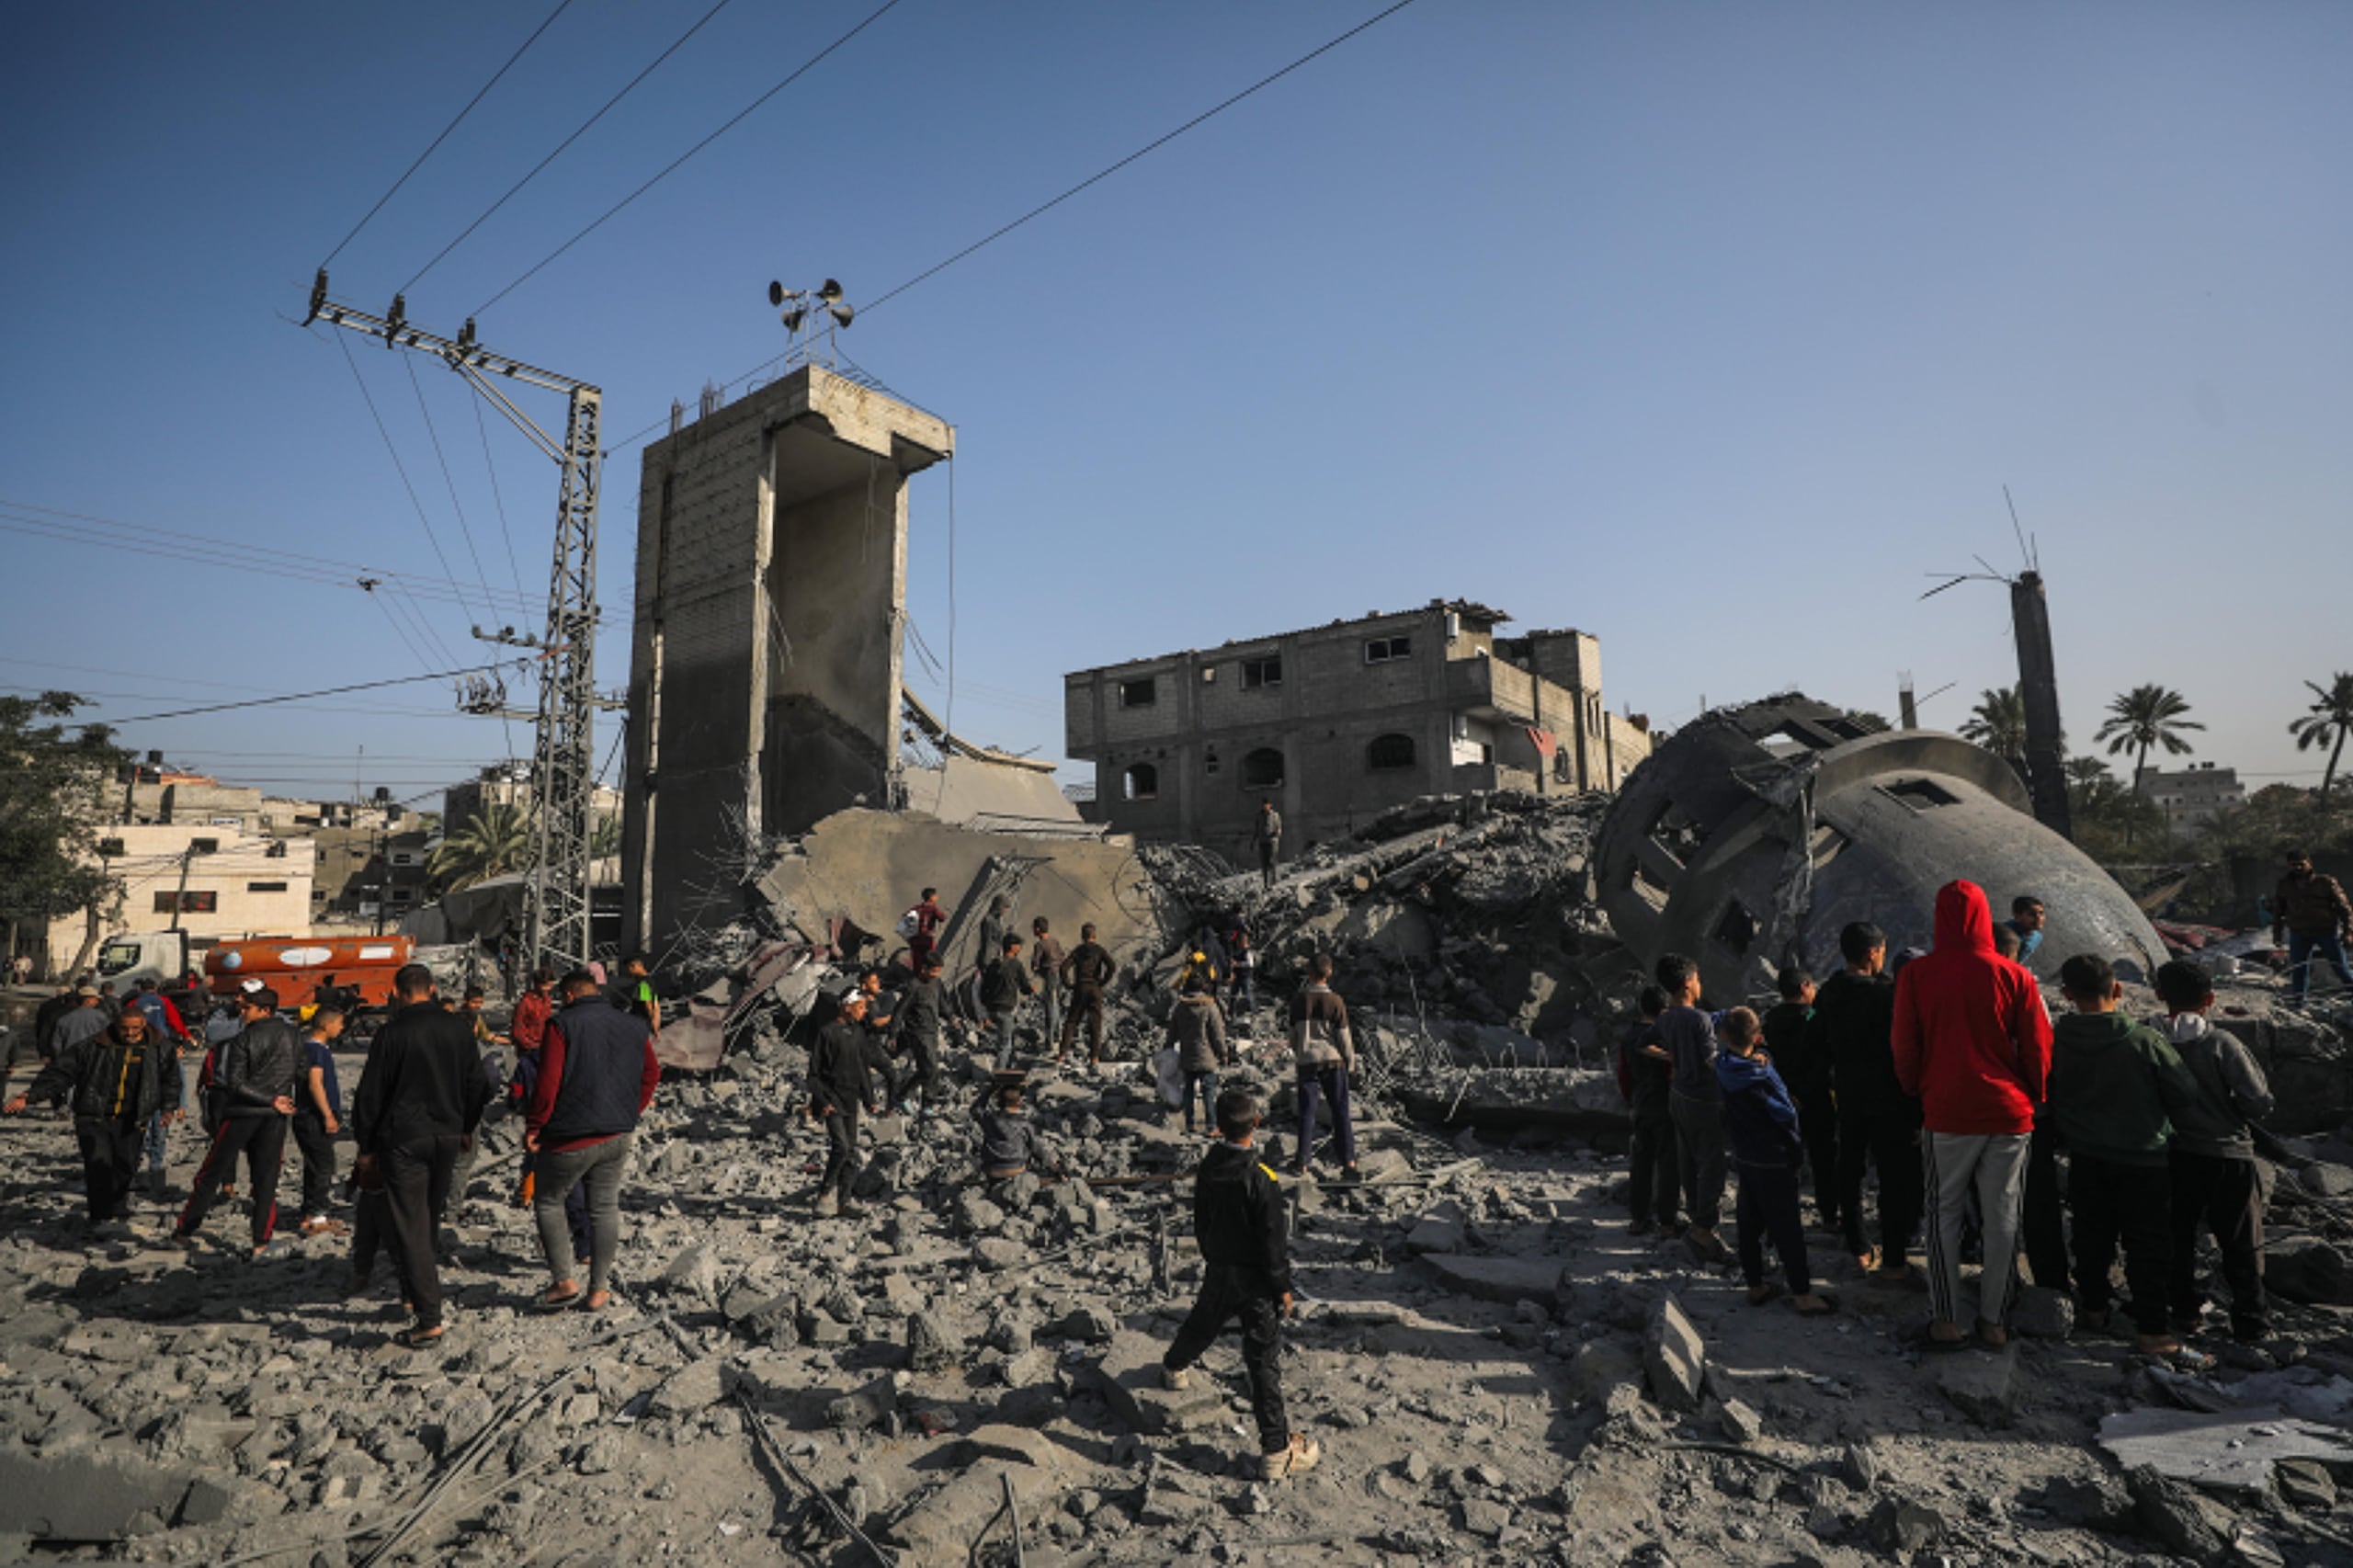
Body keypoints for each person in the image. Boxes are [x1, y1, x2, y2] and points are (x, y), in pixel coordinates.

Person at [1893, 879, 2052, 1350]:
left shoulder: (1917, 975)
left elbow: (1904, 1046)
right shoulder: (2014, 975)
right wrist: (2033, 1092)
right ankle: (1993, 1320)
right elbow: (2040, 1047)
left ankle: (1946, 1319)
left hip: (1948, 1111)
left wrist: (1917, 1088)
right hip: (2008, 1114)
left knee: (1944, 1213)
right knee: (2002, 1216)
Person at [2048, 952, 2206, 1360]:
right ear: (2117, 990)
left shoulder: (2057, 1038)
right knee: (2147, 1242)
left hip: (2085, 1156)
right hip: (2144, 1159)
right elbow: (2185, 1094)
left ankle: (2095, 1308)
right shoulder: (2143, 1040)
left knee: (2090, 1235)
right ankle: (2152, 1329)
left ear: (2066, 994)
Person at [1160, 1088, 1321, 1482]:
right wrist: (1282, 1287)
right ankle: (1276, 1449)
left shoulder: (1209, 1166)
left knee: (1204, 1322)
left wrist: (1212, 1253)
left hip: (1219, 1267)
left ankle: (1174, 1367)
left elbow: (1200, 1219)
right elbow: (1273, 1242)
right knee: (1262, 1359)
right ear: (1257, 1125)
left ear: (1218, 1126)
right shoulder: (1262, 1179)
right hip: (1255, 1279)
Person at [348, 963, 490, 1349]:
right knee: (426, 1216)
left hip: (404, 1137)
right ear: (431, 988)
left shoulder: (391, 1033)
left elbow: (370, 1096)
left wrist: (366, 1145)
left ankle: (427, 1316)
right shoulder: (459, 1029)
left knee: (409, 1222)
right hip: (446, 1134)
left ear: (397, 992)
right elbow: (479, 1084)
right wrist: (465, 1124)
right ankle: (415, 1289)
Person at [2154, 960, 2274, 1343]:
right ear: (2210, 1000)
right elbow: (2258, 1101)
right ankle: (2251, 1321)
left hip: (2174, 1156)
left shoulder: (2148, 1040)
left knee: (2177, 1237)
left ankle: (2184, 1312)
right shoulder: (2222, 1044)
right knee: (2240, 1242)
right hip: (2228, 1156)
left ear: (2159, 997)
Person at [528, 971, 661, 1312]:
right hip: (617, 1133)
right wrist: (631, 1109)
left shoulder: (562, 1024)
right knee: (604, 1206)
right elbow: (652, 1073)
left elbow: (548, 1082)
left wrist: (536, 1126)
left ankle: (563, 1281)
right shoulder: (633, 1025)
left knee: (549, 1200)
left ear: (569, 996)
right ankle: (598, 1289)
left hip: (570, 1136)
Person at [4, 1005, 182, 1226]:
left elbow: (171, 1080)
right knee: (98, 1165)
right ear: (116, 1025)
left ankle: (118, 1207)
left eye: (134, 1029)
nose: (129, 1034)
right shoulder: (93, 1046)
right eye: (124, 1029)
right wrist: (30, 1096)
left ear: (143, 1025)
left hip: (132, 1118)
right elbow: (60, 1072)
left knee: (125, 1165)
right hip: (94, 1116)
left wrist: (168, 1108)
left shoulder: (160, 1048)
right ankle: (100, 1215)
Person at [1811, 921, 1920, 1278]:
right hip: (1891, 1099)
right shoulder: (1886, 996)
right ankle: (1893, 1258)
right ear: (1873, 952)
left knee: (1850, 1170)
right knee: (1893, 1178)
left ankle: (1858, 1245)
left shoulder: (1828, 993)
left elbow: (1816, 1043)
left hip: (1849, 1095)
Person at [1716, 1006, 1833, 1314]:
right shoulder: (1763, 1075)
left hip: (1745, 1156)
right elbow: (1786, 1116)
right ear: (1758, 1037)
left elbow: (1722, 1023)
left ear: (1723, 1035)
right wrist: (1795, 1153)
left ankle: (1755, 1285)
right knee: (1787, 1228)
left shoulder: (1723, 1066)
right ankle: (1803, 1293)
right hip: (1773, 1157)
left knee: (1748, 1222)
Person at [174, 986, 301, 1256]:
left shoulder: (245, 1038)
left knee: (212, 1172)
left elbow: (235, 1083)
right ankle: (261, 1240)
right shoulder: (294, 1035)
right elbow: (300, 1073)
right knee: (267, 1179)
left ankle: (185, 1230)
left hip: (244, 1112)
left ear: (264, 1010)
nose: (241, 1014)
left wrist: (268, 1100)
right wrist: (283, 1102)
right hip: (275, 1116)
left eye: (247, 1009)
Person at [1656, 953, 1728, 1256]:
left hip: (1679, 1094)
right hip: (1703, 1098)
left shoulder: (1666, 1016)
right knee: (1712, 1162)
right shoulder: (1699, 1019)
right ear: (1688, 983)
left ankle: (1695, 1215)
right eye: (1697, 980)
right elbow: (1711, 1060)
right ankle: (1704, 1226)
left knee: (1688, 1161)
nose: (1700, 985)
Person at [1762, 966, 1837, 1232]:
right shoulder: (1813, 1015)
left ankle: (1782, 1217)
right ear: (1805, 987)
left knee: (1785, 1162)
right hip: (1815, 1098)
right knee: (1823, 1159)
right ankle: (1829, 1216)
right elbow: (1823, 1057)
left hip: (1782, 1098)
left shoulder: (1770, 1018)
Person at [808, 990, 886, 1216]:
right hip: (831, 1100)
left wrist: (869, 1098)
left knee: (850, 1151)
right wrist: (822, 1101)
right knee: (841, 1146)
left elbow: (862, 1069)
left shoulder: (858, 1033)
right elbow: (813, 1075)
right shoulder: (827, 1033)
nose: (864, 1012)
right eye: (861, 1007)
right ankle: (823, 1195)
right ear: (847, 1006)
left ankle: (844, 1201)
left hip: (851, 1099)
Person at [1288, 953, 1358, 1179]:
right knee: (1340, 1112)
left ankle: (1302, 1162)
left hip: (1308, 1062)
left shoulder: (1299, 1001)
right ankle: (1348, 1161)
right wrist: (1350, 1062)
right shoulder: (1336, 1001)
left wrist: (1300, 1054)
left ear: (1309, 973)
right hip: (1333, 1061)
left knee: (1307, 1113)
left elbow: (1292, 1036)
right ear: (1329, 973)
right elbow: (1344, 1037)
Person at [1620, 985, 1680, 1236]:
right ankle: (1667, 1222)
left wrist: (1631, 1103)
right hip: (1665, 1107)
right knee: (1669, 1165)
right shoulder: (1667, 1038)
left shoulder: (1630, 1037)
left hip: (1641, 1105)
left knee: (1641, 1164)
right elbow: (1673, 1076)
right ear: (1665, 1010)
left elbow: (1624, 1075)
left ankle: (1638, 1219)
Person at [293, 1007, 347, 1237]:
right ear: (326, 1025)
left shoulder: (311, 1048)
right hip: (313, 1116)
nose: (342, 1028)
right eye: (339, 1023)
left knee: (314, 1165)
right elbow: (315, 1083)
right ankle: (317, 1216)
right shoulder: (315, 1050)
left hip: (307, 1116)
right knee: (323, 1166)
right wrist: (327, 1114)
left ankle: (310, 1214)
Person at [2274, 848, 2353, 1006]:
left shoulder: (2325, 883)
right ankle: (2298, 1003)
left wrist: (2348, 931)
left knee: (2340, 967)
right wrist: (2277, 935)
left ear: (2309, 864)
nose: (2297, 868)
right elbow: (2278, 912)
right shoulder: (2285, 885)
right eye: (2293, 865)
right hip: (2299, 933)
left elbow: (2344, 909)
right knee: (2299, 970)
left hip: (2326, 932)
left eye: (2301, 864)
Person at [1167, 972, 1231, 1135]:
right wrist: (1223, 1053)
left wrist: (1167, 1048)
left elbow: (1172, 1032)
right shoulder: (1209, 1006)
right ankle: (1211, 1126)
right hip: (1206, 1056)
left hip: (1187, 1055)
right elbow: (1217, 1033)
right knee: (1208, 1091)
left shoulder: (1180, 1007)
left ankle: (1190, 1124)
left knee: (1188, 1090)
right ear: (1203, 987)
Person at [973, 1076, 1064, 1181]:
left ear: (999, 1102)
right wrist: (1055, 1168)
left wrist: (991, 1089)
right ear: (1019, 1103)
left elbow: (976, 1108)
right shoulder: (1024, 1124)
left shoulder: (989, 1119)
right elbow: (1037, 1149)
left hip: (992, 1171)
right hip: (1015, 1170)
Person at [893, 954, 949, 1114]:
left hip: (932, 1030)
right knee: (931, 1068)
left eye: (938, 971)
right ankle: (926, 1104)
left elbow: (942, 1003)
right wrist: (893, 1034)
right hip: (917, 1032)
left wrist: (951, 1016)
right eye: (933, 971)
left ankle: (904, 1095)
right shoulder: (913, 986)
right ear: (924, 969)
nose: (936, 975)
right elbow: (899, 1011)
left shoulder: (936, 983)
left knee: (926, 1069)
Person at [1059, 924, 1116, 1067]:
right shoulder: (1100, 950)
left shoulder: (1078, 951)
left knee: (1072, 1021)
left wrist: (1068, 984)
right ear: (1094, 936)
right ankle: (1094, 1058)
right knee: (1095, 1024)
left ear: (1082, 936)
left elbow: (1063, 967)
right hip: (1095, 988)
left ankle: (1062, 1055)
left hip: (1080, 988)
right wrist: (1103, 981)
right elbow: (1112, 966)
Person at [982, 935, 1035, 1071]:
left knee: (1003, 1041)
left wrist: (985, 1009)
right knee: (1005, 1045)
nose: (1020, 948)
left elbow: (984, 988)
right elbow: (1024, 987)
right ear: (1012, 947)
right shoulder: (1016, 964)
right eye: (1018, 945)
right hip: (1006, 1009)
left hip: (992, 1009)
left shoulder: (994, 964)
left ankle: (1004, 1069)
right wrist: (1031, 989)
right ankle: (999, 1073)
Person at [1030, 918, 1067, 1053]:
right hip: (1059, 976)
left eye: (1034, 928)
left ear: (1038, 929)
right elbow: (1063, 956)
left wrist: (1037, 971)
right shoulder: (1055, 941)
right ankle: (1058, 1036)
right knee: (1056, 1004)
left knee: (1050, 1008)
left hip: (1050, 977)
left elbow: (1035, 964)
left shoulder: (1039, 945)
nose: (1033, 931)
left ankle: (1050, 1040)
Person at [610, 955, 661, 1044]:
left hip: (639, 1023)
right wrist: (656, 1026)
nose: (629, 971)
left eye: (630, 967)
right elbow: (656, 1006)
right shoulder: (651, 982)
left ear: (635, 966)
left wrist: (653, 1026)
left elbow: (648, 1005)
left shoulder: (642, 984)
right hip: (645, 1025)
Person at [904, 886, 947, 972]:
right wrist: (944, 914)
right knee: (931, 961)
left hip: (916, 939)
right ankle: (927, 979)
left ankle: (917, 978)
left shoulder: (916, 908)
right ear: (932, 897)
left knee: (917, 962)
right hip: (927, 939)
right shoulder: (933, 908)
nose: (937, 897)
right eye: (935, 895)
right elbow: (942, 918)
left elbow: (905, 919)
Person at [1229, 927, 1259, 1036]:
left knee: (1248, 995)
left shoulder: (1247, 951)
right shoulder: (1239, 951)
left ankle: (1252, 1012)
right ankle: (1230, 1013)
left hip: (1245, 977)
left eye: (1238, 941)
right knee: (1233, 995)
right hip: (1238, 977)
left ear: (1242, 941)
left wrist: (1238, 964)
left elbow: (1250, 964)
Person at [2006, 897, 2048, 966]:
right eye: (2032, 914)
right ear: (2017, 917)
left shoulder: (2037, 937)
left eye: (2041, 913)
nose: (2039, 918)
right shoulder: (2006, 933)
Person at [1254, 801, 1283, 890]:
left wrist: (1277, 833)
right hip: (1262, 842)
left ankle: (1273, 882)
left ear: (1270, 805)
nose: (1265, 807)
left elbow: (1279, 828)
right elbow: (1256, 829)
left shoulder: (1275, 815)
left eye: (1266, 805)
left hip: (1272, 842)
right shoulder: (1259, 816)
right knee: (1264, 863)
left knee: (1272, 861)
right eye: (1263, 805)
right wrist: (1253, 841)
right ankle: (1266, 884)